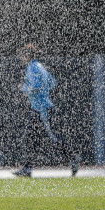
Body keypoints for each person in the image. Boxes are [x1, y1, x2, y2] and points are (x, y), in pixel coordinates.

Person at [15, 44, 79, 178]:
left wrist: (24, 88)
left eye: (22, 55)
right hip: (39, 108)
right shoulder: (39, 66)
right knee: (31, 138)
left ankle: (73, 159)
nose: (21, 57)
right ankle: (27, 168)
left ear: (27, 55)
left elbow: (35, 86)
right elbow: (52, 82)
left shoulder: (32, 67)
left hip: (42, 109)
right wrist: (43, 92)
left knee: (53, 137)